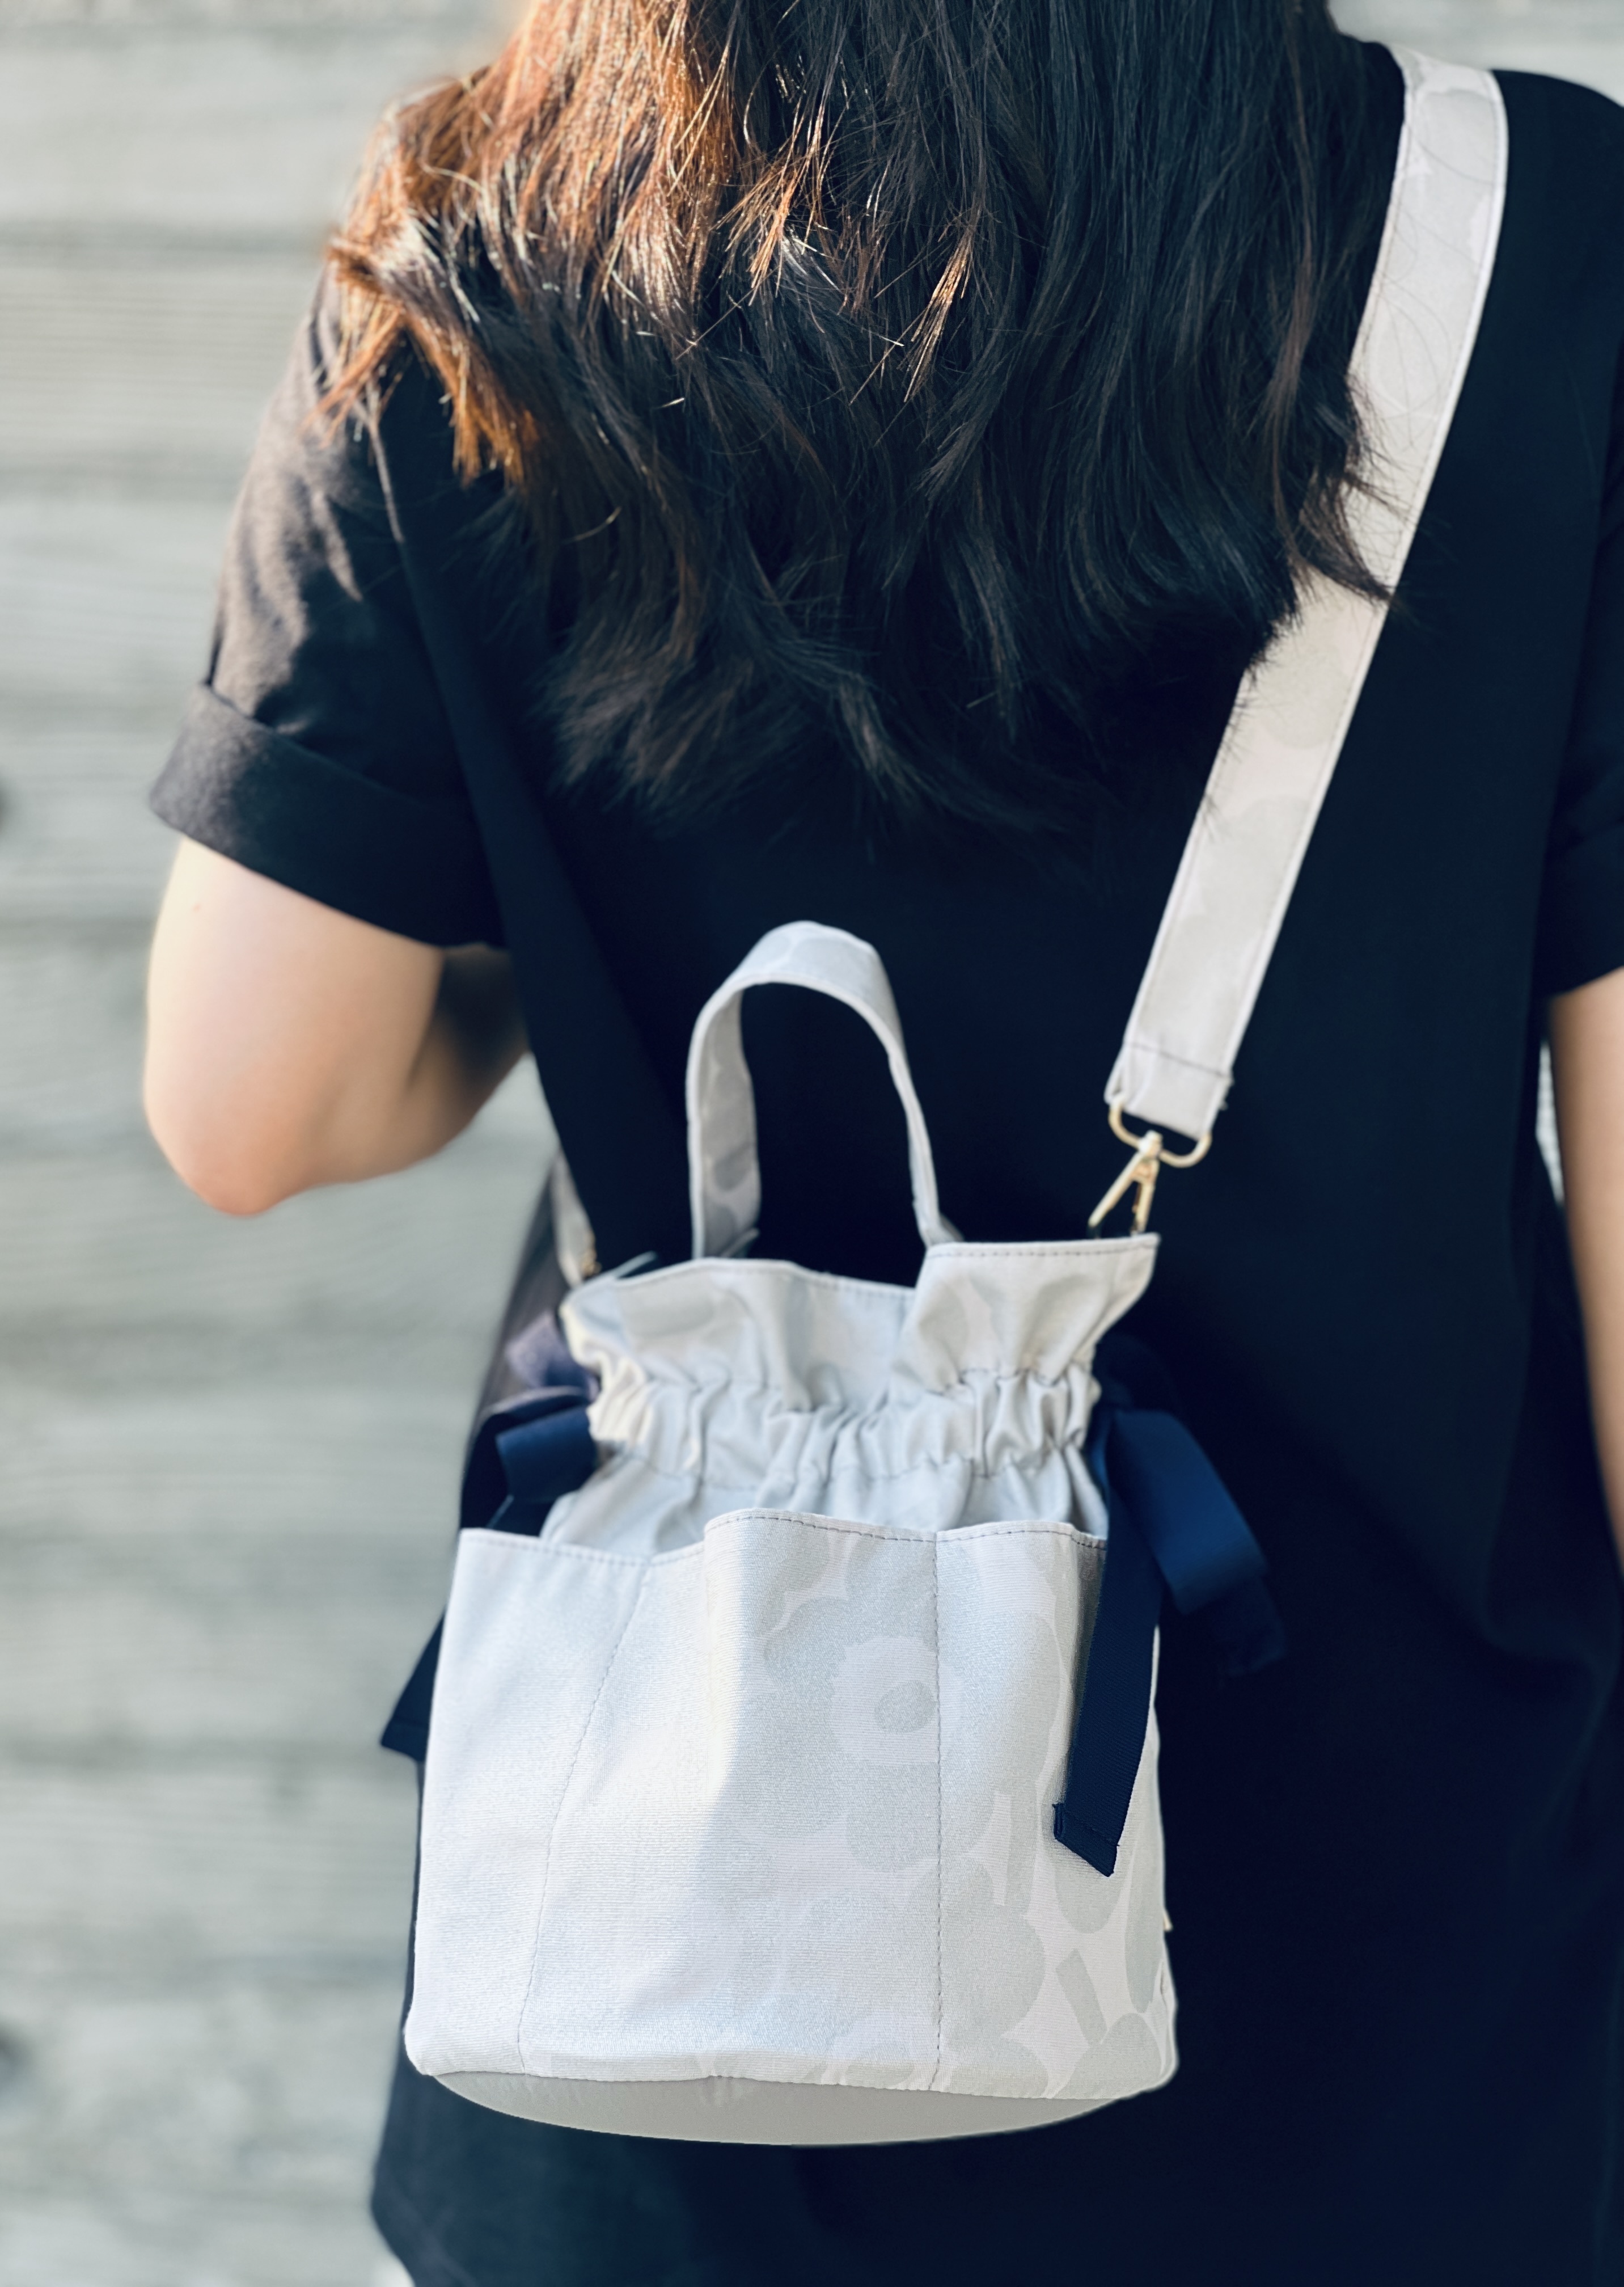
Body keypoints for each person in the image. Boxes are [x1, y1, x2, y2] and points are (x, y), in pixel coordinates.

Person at [142, 1, 1624, 2278]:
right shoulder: (1544, 245)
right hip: (1413, 2039)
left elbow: (260, 1104)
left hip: (675, 2013)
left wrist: (570, 961)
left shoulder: (483, 243)